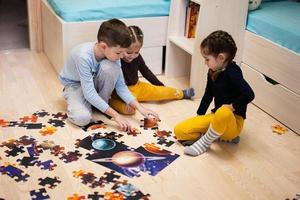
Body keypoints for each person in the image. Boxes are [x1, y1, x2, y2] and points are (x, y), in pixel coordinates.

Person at [59, 19, 159, 131]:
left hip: (93, 83)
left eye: (123, 52)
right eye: (118, 53)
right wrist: (116, 115)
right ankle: (82, 102)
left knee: (110, 67)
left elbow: (121, 86)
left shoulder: (114, 54)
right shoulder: (83, 56)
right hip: (75, 85)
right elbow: (89, 93)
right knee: (82, 118)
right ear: (103, 47)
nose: (122, 57)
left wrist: (141, 108)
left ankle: (100, 104)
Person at [174, 30, 255, 156]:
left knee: (223, 111)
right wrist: (199, 116)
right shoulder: (213, 71)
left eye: (207, 59)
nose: (205, 63)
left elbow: (249, 94)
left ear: (221, 58)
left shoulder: (233, 72)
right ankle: (218, 135)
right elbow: (208, 94)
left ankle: (204, 144)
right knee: (179, 130)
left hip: (233, 121)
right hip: (217, 117)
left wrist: (232, 106)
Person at [109, 25, 195, 115]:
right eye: (129, 52)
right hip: (123, 91)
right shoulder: (117, 59)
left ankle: (182, 93)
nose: (132, 56)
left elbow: (146, 72)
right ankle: (110, 102)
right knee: (130, 110)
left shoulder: (137, 58)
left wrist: (159, 85)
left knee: (161, 91)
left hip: (137, 86)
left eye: (136, 52)